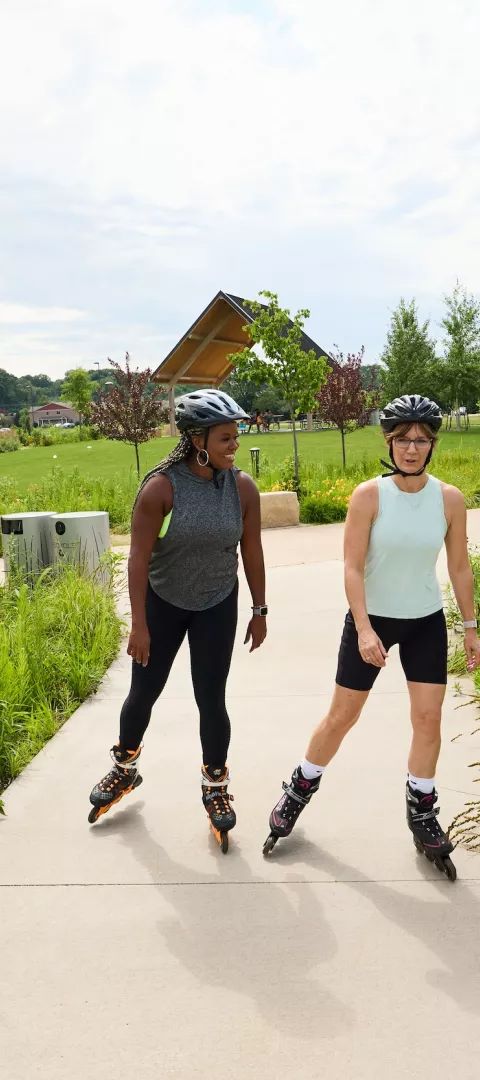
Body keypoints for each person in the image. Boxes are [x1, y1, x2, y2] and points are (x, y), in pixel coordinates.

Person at [264, 394, 480, 878]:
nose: (412, 448)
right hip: (373, 621)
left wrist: (470, 627)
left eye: (422, 439)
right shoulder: (368, 496)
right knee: (343, 716)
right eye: (403, 439)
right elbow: (352, 567)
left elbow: (460, 567)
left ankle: (421, 811)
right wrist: (363, 629)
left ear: (432, 445)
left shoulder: (448, 499)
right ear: (389, 441)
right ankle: (298, 789)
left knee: (428, 719)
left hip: (424, 619)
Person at [89, 389, 268, 844]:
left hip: (217, 602)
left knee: (212, 698)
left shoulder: (242, 488)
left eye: (237, 436)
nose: (235, 446)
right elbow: (137, 560)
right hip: (163, 604)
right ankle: (124, 767)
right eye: (226, 438)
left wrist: (259, 609)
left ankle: (216, 786)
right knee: (143, 693)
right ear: (197, 439)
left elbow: (252, 550)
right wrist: (140, 625)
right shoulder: (161, 488)